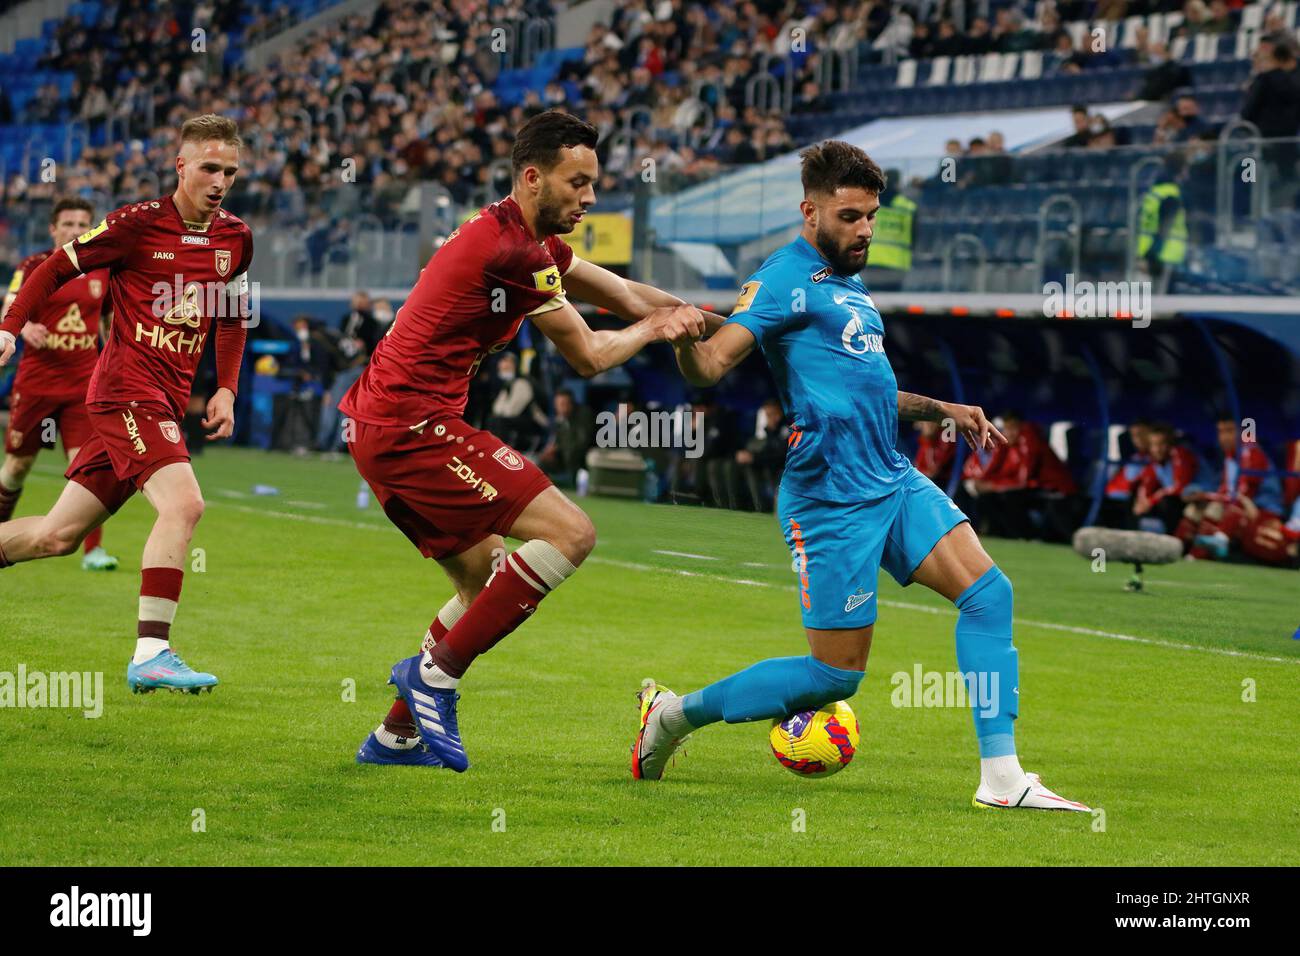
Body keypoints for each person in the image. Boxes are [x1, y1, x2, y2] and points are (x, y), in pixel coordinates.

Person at [633, 141, 1090, 812]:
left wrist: (944, 409)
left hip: (890, 476)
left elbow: (866, 390)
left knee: (990, 594)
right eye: (850, 216)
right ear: (809, 211)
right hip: (830, 499)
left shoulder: (848, 284)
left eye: (872, 216)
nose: (865, 230)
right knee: (834, 676)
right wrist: (679, 339)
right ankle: (674, 715)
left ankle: (1003, 778)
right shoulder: (783, 278)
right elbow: (711, 366)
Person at [342, 110, 713, 771]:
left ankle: (396, 737)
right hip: (412, 427)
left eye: (594, 183)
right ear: (534, 177)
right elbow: (593, 355)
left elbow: (625, 292)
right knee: (571, 534)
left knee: (484, 581)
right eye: (578, 182)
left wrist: (721, 322)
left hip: (386, 424)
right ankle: (434, 679)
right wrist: (660, 330)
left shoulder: (523, 236)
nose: (591, 196)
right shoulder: (512, 252)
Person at [0, 113, 253, 693]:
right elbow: (53, 268)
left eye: (231, 172)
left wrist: (227, 386)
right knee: (184, 505)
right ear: (181, 166)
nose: (220, 181)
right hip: (124, 393)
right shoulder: (135, 225)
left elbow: (236, 316)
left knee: (56, 538)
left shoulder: (236, 238)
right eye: (209, 168)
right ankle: (152, 652)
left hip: (162, 402)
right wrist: (12, 327)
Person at [0, 197, 119, 571]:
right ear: (53, 229)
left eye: (83, 223)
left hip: (82, 387)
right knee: (17, 466)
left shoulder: (102, 269)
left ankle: (93, 552)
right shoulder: (35, 266)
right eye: (67, 224)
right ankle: (3, 534)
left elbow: (108, 323)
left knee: (87, 468)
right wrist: (25, 326)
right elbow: (11, 305)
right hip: (36, 384)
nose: (75, 230)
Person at [1133, 422, 1200, 533]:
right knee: (1136, 501)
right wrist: (1142, 501)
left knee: (1167, 502)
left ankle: (1174, 543)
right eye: (1153, 445)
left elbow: (1179, 488)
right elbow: (1146, 483)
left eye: (1161, 444)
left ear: (1170, 445)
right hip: (1175, 498)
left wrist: (1151, 501)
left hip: (1197, 495)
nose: (1157, 449)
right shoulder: (1155, 462)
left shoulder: (1181, 454)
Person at [538, 388, 593, 487]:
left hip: (582, 454)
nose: (560, 407)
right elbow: (557, 439)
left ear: (571, 404)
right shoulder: (560, 420)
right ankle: (547, 488)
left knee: (572, 453)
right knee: (542, 461)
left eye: (563, 404)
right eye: (558, 404)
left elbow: (582, 442)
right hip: (563, 454)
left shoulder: (584, 414)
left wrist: (558, 447)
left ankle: (573, 484)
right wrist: (551, 450)